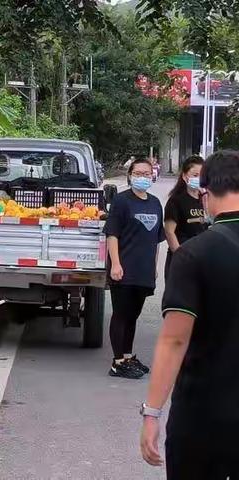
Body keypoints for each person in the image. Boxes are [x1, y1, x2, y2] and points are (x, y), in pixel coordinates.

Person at [141, 150, 239, 479]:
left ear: (207, 194)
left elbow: (174, 340)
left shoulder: (194, 255)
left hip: (203, 416)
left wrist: (151, 413)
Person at [103, 158, 165, 379]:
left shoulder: (155, 203)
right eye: (138, 173)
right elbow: (112, 234)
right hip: (124, 268)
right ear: (130, 175)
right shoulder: (122, 201)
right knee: (121, 314)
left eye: (147, 174)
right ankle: (117, 362)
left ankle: (128, 356)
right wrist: (116, 264)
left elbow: (157, 239)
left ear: (152, 176)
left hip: (144, 270)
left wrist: (154, 267)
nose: (143, 177)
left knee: (133, 316)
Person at [164, 155, 206, 279]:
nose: (199, 178)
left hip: (202, 259)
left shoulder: (207, 199)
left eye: (202, 175)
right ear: (184, 176)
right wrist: (180, 257)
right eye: (195, 175)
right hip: (182, 259)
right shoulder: (176, 201)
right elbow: (169, 232)